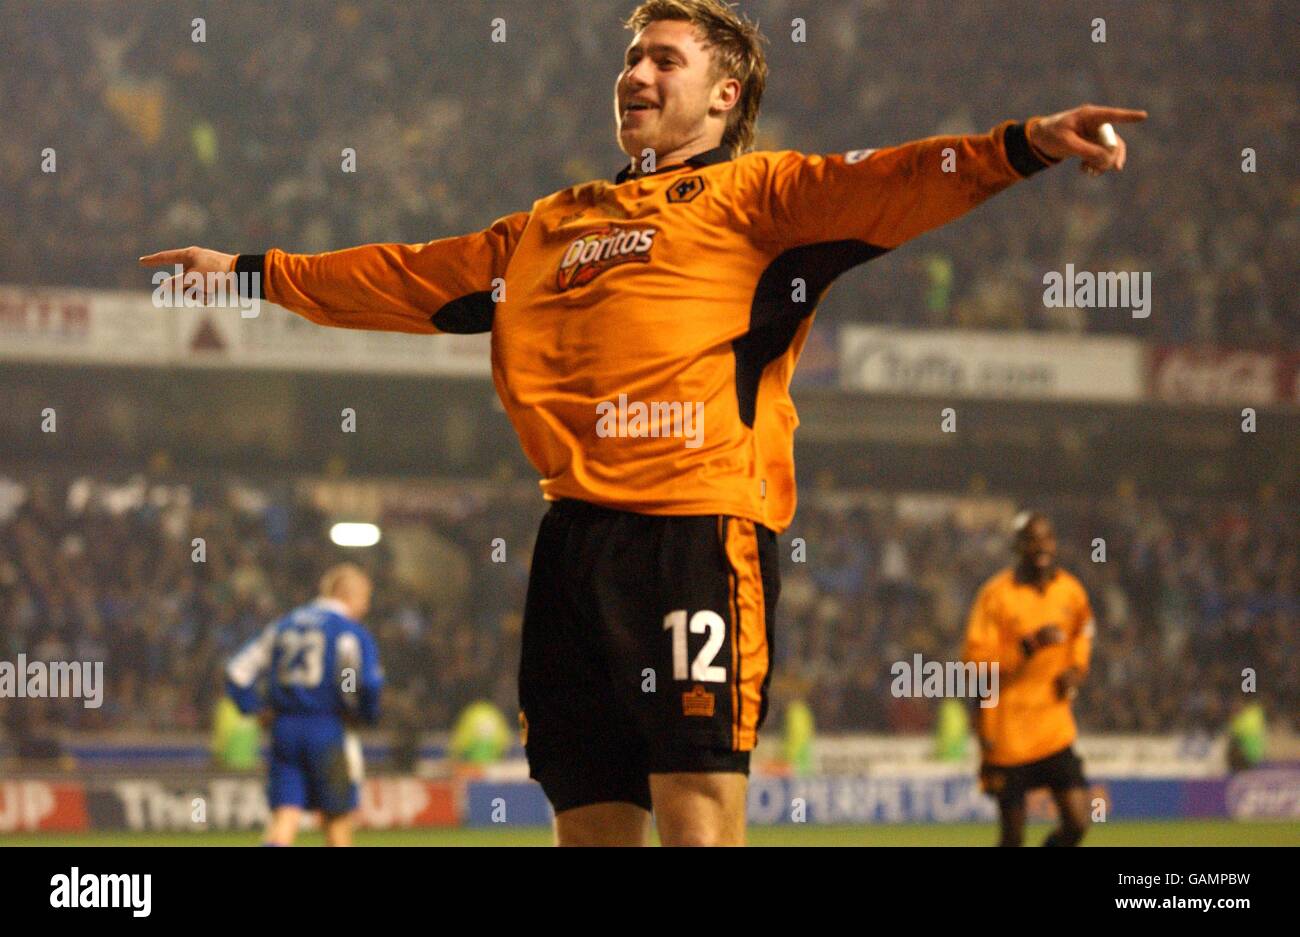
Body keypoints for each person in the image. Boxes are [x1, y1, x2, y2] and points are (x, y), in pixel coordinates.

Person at [143, 0, 1144, 846]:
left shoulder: (763, 196)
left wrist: (1022, 145)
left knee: (697, 818)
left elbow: (897, 176)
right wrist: (251, 272)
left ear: (725, 95)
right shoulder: (549, 224)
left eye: (665, 58)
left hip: (697, 534)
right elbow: (406, 275)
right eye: (630, 56)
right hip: (572, 542)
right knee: (587, 824)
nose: (635, 72)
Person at [225, 563, 383, 846]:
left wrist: (256, 708)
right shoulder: (348, 632)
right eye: (365, 599)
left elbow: (237, 671)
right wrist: (362, 713)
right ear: (349, 594)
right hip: (327, 727)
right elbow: (364, 683)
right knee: (336, 819)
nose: (366, 607)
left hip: (284, 729)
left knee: (285, 816)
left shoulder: (284, 625)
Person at [962, 512, 1096, 846]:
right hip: (1008, 733)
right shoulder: (996, 595)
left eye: (1047, 537)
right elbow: (975, 662)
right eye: (1032, 539)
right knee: (1013, 838)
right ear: (1017, 546)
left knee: (1079, 822)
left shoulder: (1070, 590)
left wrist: (1076, 669)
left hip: (1053, 728)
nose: (1042, 546)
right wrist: (1027, 645)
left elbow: (1084, 632)